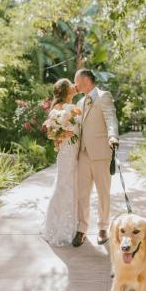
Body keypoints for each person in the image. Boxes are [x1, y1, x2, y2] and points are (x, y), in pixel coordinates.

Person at [72, 68, 119, 247]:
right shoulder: (80, 101)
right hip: (83, 154)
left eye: (76, 81)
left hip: (101, 152)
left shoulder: (103, 96)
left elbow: (110, 118)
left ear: (85, 80)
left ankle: (102, 228)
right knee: (82, 193)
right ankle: (82, 229)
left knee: (103, 193)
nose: (75, 85)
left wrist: (113, 136)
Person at [43, 78, 80, 246]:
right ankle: (59, 227)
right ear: (66, 90)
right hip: (66, 152)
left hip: (76, 151)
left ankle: (72, 226)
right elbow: (51, 133)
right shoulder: (60, 109)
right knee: (63, 186)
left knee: (72, 186)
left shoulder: (73, 106)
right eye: (71, 85)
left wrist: (60, 135)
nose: (74, 86)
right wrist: (61, 135)